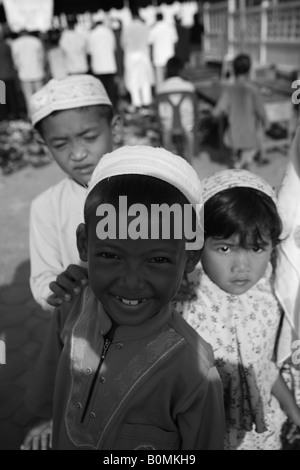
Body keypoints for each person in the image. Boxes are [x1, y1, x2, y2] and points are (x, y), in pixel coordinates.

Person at [22, 145, 225, 450]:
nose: (131, 281)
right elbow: (49, 388)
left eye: (157, 260)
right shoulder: (73, 306)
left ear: (190, 258)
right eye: (109, 255)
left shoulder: (194, 372)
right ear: (83, 243)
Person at [176, 169, 300, 450]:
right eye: (225, 248)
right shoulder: (180, 296)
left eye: (256, 248)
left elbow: (265, 366)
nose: (242, 267)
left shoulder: (270, 294)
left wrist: (295, 416)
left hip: (262, 438)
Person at [28, 74, 121, 312]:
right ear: (45, 146)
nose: (78, 154)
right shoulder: (46, 207)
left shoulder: (155, 186)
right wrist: (57, 290)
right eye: (60, 144)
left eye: (89, 138)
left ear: (115, 129)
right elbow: (42, 281)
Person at [212, 53, 269, 169]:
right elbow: (262, 114)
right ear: (249, 70)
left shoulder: (228, 90)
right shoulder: (253, 90)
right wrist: (266, 124)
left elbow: (215, 113)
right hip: (250, 140)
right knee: (248, 173)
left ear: (233, 70)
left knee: (237, 170)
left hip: (233, 139)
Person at [156, 56, 197, 163]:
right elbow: (195, 111)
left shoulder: (160, 88)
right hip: (187, 127)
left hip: (167, 127)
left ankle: (167, 162)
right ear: (181, 70)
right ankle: (190, 162)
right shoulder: (189, 87)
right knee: (190, 132)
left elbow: (157, 114)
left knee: (165, 133)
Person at [121, 8, 154, 112]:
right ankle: (146, 101)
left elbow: (123, 43)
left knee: (133, 80)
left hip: (131, 55)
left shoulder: (127, 28)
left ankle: (137, 102)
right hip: (143, 54)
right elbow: (150, 41)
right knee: (145, 80)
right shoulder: (145, 27)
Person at [11, 30, 46, 116]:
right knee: (40, 97)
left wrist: (19, 68)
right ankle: (43, 114)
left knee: (28, 97)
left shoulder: (15, 43)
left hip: (24, 74)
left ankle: (32, 116)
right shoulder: (36, 41)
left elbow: (15, 60)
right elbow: (42, 57)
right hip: (38, 72)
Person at [87, 20, 118, 109]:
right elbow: (114, 47)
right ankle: (113, 106)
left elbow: (89, 51)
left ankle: (104, 107)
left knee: (101, 89)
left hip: (98, 66)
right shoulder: (109, 32)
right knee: (111, 88)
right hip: (109, 65)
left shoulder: (92, 34)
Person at [149, 12, 178, 90]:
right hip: (170, 56)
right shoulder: (170, 27)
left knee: (159, 80)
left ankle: (161, 94)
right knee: (171, 78)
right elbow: (175, 42)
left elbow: (150, 43)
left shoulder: (153, 29)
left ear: (156, 18)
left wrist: (151, 56)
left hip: (158, 57)